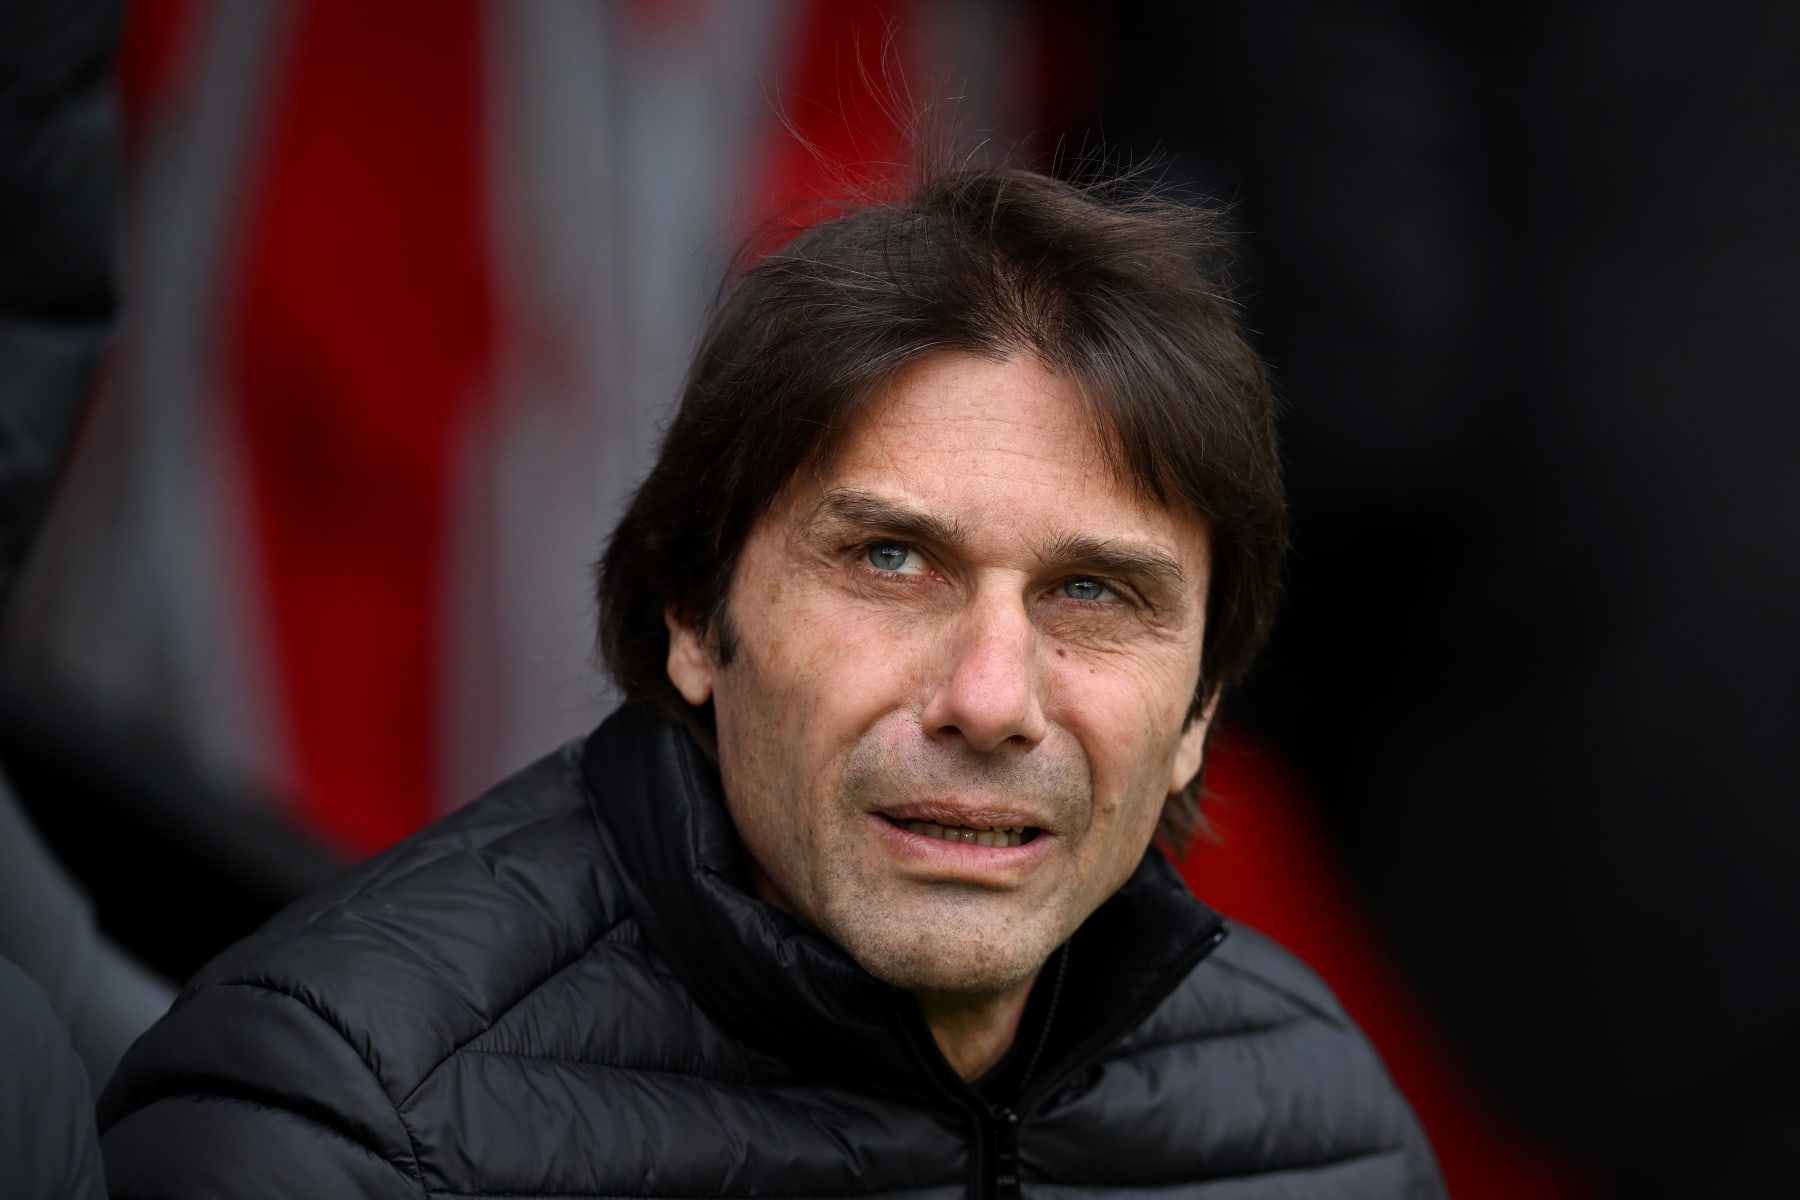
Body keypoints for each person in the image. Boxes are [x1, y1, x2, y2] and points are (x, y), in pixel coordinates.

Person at [97, 162, 1444, 1198]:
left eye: (1092, 593)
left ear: (1201, 707)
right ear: (694, 610)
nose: (991, 699)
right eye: (893, 560)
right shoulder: (344, 1125)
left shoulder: (1319, 1128)